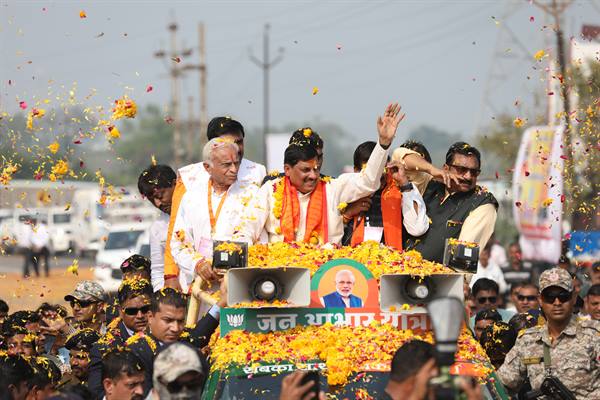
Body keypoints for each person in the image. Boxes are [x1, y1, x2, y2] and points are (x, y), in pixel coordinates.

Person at [242, 103, 404, 245]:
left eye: (316, 169)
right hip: (283, 272)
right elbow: (248, 228)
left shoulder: (332, 188)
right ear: (288, 169)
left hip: (327, 272)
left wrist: (383, 144)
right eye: (306, 170)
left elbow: (368, 181)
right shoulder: (270, 191)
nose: (313, 175)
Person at [164, 116, 266, 290]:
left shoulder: (253, 193)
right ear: (207, 167)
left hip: (241, 284)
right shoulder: (191, 194)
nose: (234, 169)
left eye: (236, 163)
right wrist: (197, 264)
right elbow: (178, 241)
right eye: (227, 165)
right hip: (200, 285)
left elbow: (262, 238)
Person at [498, 267, 600, 399]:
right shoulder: (528, 340)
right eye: (550, 297)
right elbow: (503, 384)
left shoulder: (594, 335)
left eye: (563, 296)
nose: (557, 303)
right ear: (540, 299)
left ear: (574, 298)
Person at [392, 141, 498, 263]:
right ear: (446, 168)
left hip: (437, 278)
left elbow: (465, 256)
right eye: (462, 170)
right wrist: (432, 170)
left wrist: (460, 281)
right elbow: (399, 156)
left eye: (474, 172)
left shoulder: (482, 203)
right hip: (399, 269)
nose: (468, 176)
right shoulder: (429, 184)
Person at [126, 287, 223, 396]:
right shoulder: (136, 352)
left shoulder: (182, 340)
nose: (175, 328)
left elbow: (198, 335)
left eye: (180, 321)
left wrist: (222, 301)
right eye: (168, 320)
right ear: (150, 317)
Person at [340, 141, 429, 249]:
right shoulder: (344, 189)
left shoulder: (402, 189)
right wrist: (347, 214)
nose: (376, 179)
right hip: (352, 262)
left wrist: (405, 184)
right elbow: (325, 231)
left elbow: (417, 229)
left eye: (380, 172)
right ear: (356, 171)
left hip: (390, 262)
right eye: (370, 174)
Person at [88, 278, 153, 398]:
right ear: (120, 311)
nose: (140, 316)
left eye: (145, 309)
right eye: (132, 311)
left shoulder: (166, 337)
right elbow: (96, 392)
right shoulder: (103, 347)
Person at [138, 164, 177, 291]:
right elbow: (158, 270)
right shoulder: (157, 228)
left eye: (160, 196)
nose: (158, 203)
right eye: (151, 200)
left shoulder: (197, 210)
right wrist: (164, 296)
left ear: (175, 184)